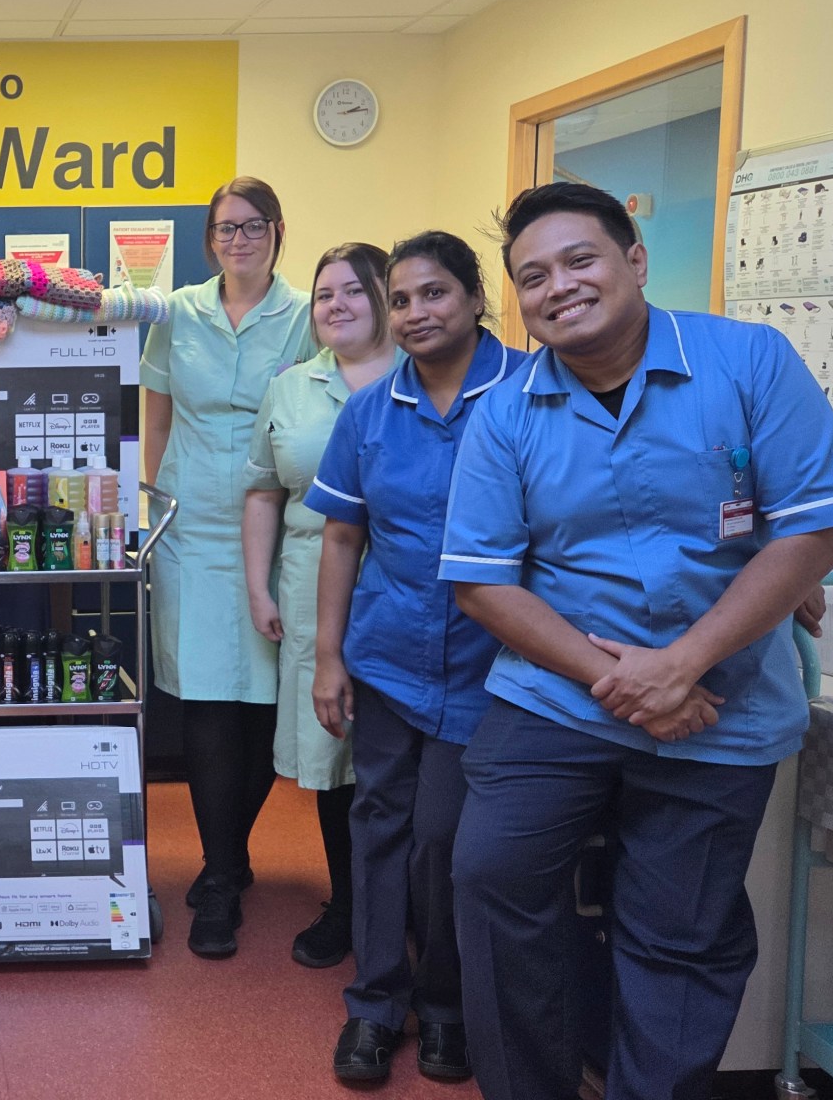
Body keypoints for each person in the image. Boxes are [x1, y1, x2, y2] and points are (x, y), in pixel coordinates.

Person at [442, 183, 833, 1100]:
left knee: (681, 930)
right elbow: (480, 580)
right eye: (533, 277)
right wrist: (623, 679)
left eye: (580, 260)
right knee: (492, 877)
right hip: (557, 695)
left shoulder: (749, 361)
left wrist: (684, 663)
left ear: (634, 259)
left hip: (724, 702)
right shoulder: (507, 412)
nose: (560, 287)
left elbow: (814, 532)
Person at [304, 231, 527, 1084]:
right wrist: (329, 658)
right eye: (400, 300)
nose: (415, 313)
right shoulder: (369, 412)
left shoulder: (529, 392)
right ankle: (374, 1005)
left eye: (433, 294)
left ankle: (446, 1003)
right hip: (390, 655)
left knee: (446, 839)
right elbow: (340, 535)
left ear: (475, 297)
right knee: (380, 827)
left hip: (495, 663)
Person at [141, 176, 315, 959]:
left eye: (250, 228)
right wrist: (154, 503)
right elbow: (157, 409)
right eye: (222, 230)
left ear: (278, 231)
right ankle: (219, 875)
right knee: (208, 701)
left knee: (265, 701)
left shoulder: (307, 316)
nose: (236, 241)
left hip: (278, 525)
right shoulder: (179, 312)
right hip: (190, 527)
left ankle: (230, 855)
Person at [240, 243, 405, 970]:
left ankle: (410, 913)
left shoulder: (424, 377)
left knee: (405, 760)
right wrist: (258, 584)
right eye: (323, 294)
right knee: (335, 761)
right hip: (312, 583)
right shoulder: (292, 387)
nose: (334, 305)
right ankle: (350, 904)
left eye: (352, 292)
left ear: (385, 300)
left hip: (406, 582)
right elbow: (262, 489)